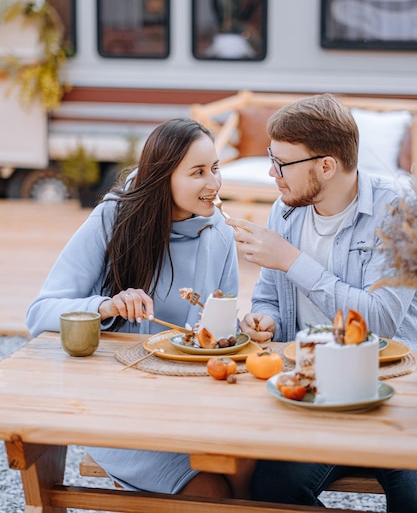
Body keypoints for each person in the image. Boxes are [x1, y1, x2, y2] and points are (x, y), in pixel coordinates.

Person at [26, 118, 249, 499]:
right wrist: (106, 305)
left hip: (194, 406)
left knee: (253, 470)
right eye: (198, 172)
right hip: (119, 408)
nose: (213, 184)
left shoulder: (221, 234)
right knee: (212, 493)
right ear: (163, 178)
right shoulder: (112, 218)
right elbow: (40, 313)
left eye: (215, 169)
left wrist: (247, 326)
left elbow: (220, 326)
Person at [225, 94, 417, 511]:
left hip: (393, 389)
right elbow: (268, 296)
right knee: (271, 487)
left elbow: (382, 320)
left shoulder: (400, 211)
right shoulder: (286, 210)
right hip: (316, 388)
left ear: (326, 166)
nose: (271, 173)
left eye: (281, 163)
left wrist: (293, 261)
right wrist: (266, 320)